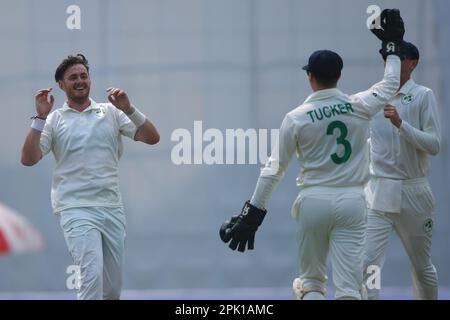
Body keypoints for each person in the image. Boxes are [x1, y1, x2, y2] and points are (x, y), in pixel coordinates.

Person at [219, 9, 404, 300]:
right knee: (348, 288)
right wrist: (393, 49)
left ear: (311, 77)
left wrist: (252, 213)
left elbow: (274, 168)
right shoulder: (360, 105)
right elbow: (391, 83)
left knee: (311, 283)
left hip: (314, 201)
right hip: (353, 202)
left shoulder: (296, 117)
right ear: (339, 76)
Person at [21, 54, 160, 300]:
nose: (80, 81)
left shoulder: (111, 112)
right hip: (76, 208)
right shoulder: (54, 120)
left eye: (84, 76)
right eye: (73, 78)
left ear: (90, 80)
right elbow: (29, 159)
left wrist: (128, 108)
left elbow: (152, 137)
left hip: (112, 208)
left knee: (112, 290)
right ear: (62, 85)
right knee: (91, 277)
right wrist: (40, 118)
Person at [363, 41, 441, 300]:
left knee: (421, 267)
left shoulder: (422, 95)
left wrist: (400, 124)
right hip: (379, 192)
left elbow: (434, 144)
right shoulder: (374, 96)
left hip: (413, 191)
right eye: (387, 59)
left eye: (397, 58)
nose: (390, 64)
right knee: (368, 265)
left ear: (412, 63)